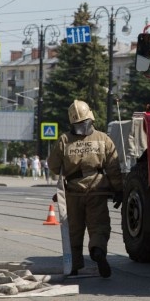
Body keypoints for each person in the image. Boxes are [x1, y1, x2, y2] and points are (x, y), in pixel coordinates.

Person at [47, 100, 123, 278]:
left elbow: (53, 165)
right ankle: (98, 251)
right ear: (90, 117)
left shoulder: (65, 140)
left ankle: (73, 264)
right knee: (99, 227)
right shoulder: (103, 139)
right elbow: (113, 167)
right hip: (97, 191)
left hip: (73, 193)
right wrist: (119, 189)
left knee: (74, 229)